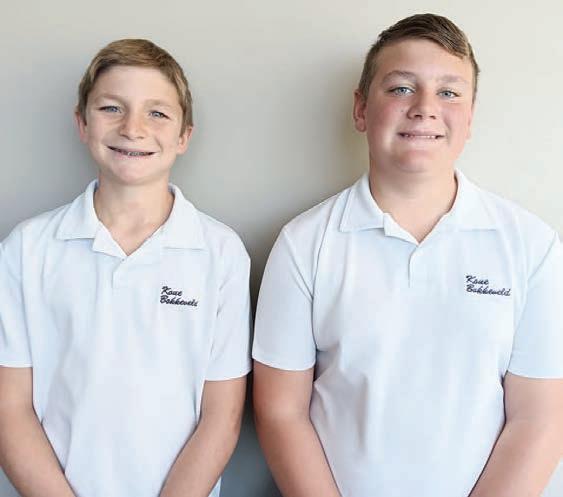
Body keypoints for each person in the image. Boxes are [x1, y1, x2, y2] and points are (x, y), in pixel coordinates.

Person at [252, 13, 563, 497]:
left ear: (470, 117)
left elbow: (538, 417)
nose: (425, 108)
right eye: (401, 88)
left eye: (449, 92)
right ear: (361, 110)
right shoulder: (304, 243)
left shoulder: (531, 245)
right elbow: (280, 412)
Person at [0, 39, 251, 497]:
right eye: (111, 108)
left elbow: (222, 416)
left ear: (184, 136)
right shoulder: (27, 249)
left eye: (157, 113)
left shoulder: (220, 253)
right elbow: (9, 409)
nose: (133, 128)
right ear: (82, 123)